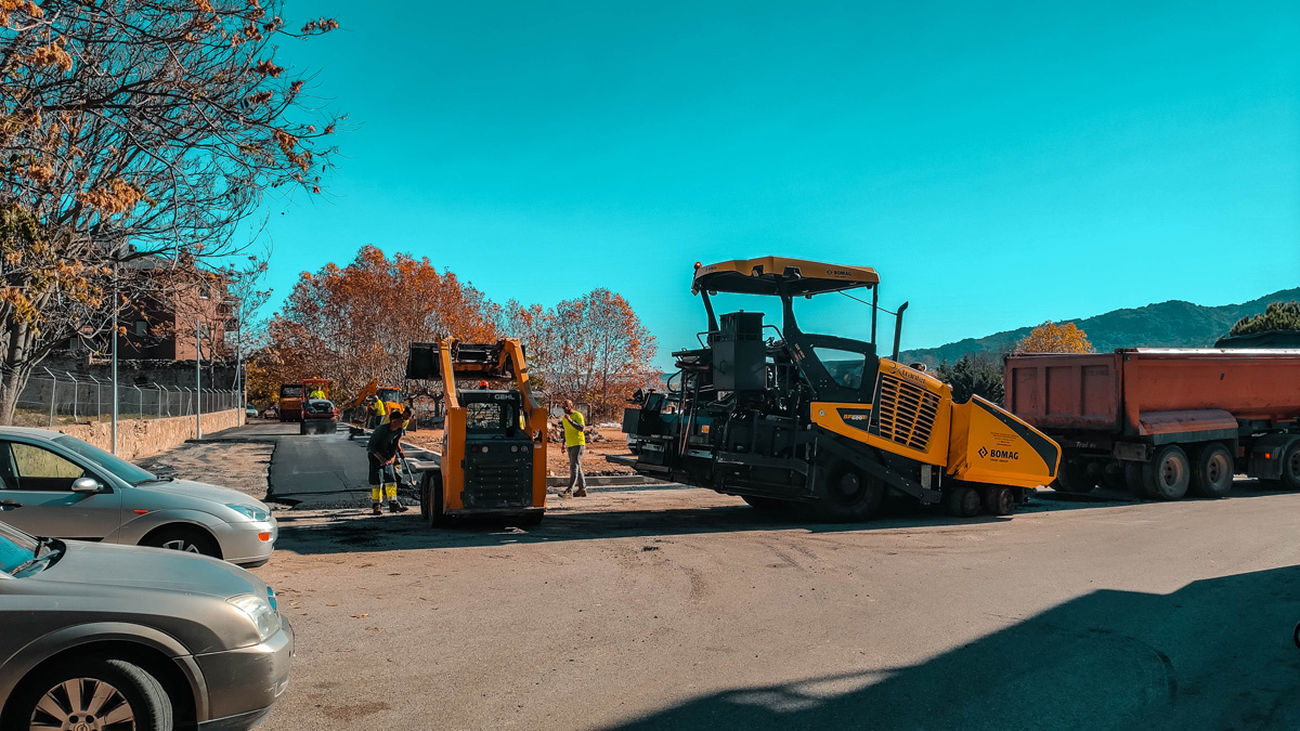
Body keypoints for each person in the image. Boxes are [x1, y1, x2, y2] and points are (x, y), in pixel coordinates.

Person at [366, 408, 410, 515]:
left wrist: (392, 458)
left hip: (387, 456)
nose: (402, 421)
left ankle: (393, 503)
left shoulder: (399, 430)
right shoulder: (381, 430)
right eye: (400, 420)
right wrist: (381, 459)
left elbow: (395, 445)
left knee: (391, 480)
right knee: (377, 481)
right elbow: (371, 447)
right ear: (393, 421)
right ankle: (377, 505)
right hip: (375, 456)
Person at [558, 399, 587, 497]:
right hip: (570, 444)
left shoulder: (577, 415)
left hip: (578, 443)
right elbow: (566, 432)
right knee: (577, 466)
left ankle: (569, 490)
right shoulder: (564, 418)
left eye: (566, 407)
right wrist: (563, 444)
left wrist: (570, 420)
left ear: (571, 406)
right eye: (563, 407)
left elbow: (581, 428)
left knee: (574, 466)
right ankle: (582, 489)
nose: (565, 409)